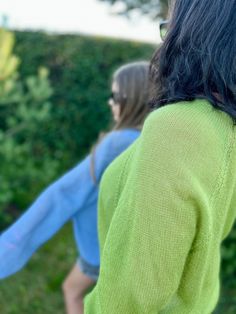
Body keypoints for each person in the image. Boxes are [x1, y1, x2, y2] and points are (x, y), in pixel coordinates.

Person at [84, 1, 236, 313]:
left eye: (169, 27)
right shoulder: (225, 128)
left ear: (194, 33)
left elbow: (125, 305)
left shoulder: (178, 128)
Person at [0, 61, 150, 314]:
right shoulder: (152, 144)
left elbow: (63, 195)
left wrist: (8, 248)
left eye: (115, 96)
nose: (110, 103)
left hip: (102, 254)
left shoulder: (117, 143)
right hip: (136, 257)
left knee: (72, 291)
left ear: (133, 100)